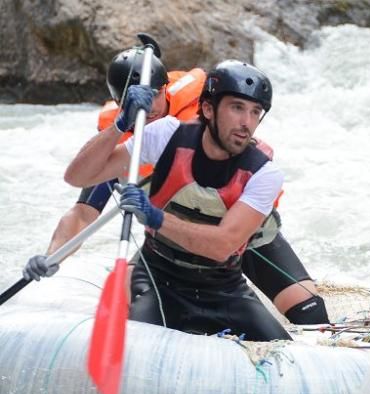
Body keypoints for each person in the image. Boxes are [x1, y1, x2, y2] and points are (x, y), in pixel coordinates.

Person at [25, 46, 329, 326]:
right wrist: (53, 256)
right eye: (133, 98)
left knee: (307, 308)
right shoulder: (128, 137)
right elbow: (82, 211)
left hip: (239, 231)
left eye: (156, 94)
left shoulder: (203, 114)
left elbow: (246, 145)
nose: (151, 106)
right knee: (127, 295)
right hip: (171, 244)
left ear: (166, 89)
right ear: (121, 101)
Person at [63, 60, 293, 341]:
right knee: (136, 351)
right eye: (237, 108)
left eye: (255, 112)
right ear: (208, 108)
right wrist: (120, 123)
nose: (247, 122)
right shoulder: (166, 135)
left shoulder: (265, 174)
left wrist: (156, 217)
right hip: (159, 281)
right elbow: (78, 176)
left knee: (286, 355)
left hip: (224, 290)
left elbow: (222, 246)